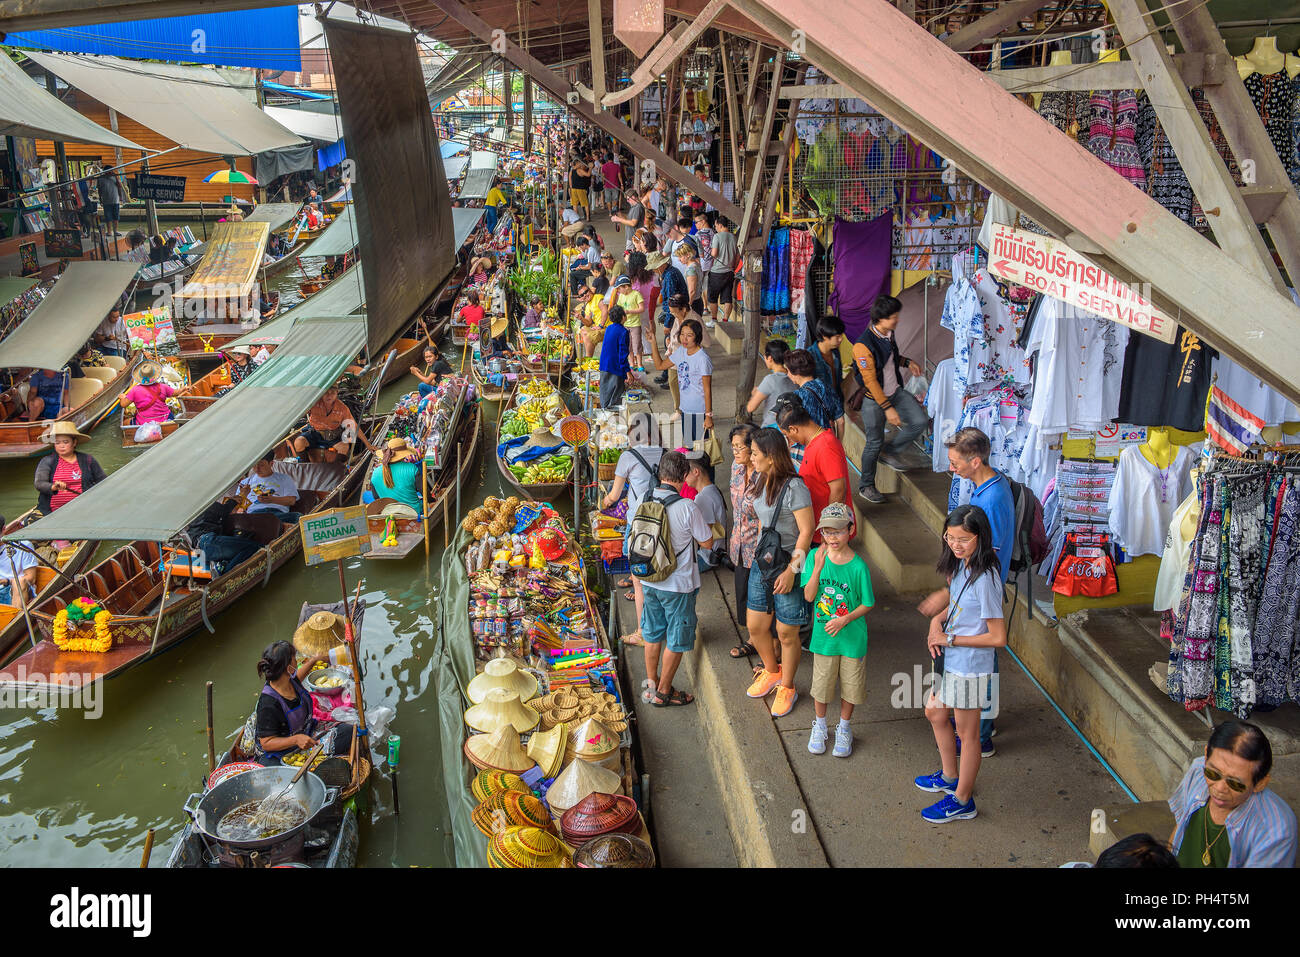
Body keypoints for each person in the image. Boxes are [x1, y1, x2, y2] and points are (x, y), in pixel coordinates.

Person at [923, 426, 1014, 756]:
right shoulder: (983, 488)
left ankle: (980, 733)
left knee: (983, 663)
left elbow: (989, 560)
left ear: (975, 461)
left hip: (980, 598)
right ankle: (976, 728)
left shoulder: (991, 499)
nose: (951, 467)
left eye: (955, 461)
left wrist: (947, 600)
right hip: (971, 596)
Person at [914, 504, 1007, 823]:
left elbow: (998, 638)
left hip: (969, 666)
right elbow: (954, 602)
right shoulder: (962, 565)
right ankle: (950, 777)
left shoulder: (987, 578)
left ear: (980, 538)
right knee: (935, 711)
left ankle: (963, 800)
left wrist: (949, 639)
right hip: (950, 659)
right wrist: (936, 623)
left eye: (964, 539)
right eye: (950, 537)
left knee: (968, 736)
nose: (955, 544)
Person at [744, 429, 815, 718]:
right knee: (756, 626)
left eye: (755, 454)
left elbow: (807, 531)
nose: (750, 457)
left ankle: (787, 686)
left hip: (789, 564)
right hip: (765, 562)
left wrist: (791, 571)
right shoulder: (761, 479)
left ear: (771, 457)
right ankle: (771, 671)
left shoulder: (795, 487)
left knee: (787, 632)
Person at [638, 450, 714, 708]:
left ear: (660, 474)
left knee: (652, 634)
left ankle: (651, 682)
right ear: (683, 476)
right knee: (676, 639)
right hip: (678, 585)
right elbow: (707, 541)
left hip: (649, 580)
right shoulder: (687, 507)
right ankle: (664, 691)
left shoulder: (643, 500)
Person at [1167, 720, 1297, 867]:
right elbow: (1181, 824)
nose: (1220, 788)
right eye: (1213, 773)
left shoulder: (1275, 831)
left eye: (1235, 783)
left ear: (1260, 783)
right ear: (1205, 755)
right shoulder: (1198, 769)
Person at [801, 502, 875, 757]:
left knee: (851, 686)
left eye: (838, 531)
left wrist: (845, 620)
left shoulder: (858, 567)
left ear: (851, 530)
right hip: (824, 639)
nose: (832, 537)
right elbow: (809, 596)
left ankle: (844, 727)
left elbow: (868, 603)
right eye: (827, 532)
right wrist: (818, 569)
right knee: (821, 685)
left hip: (852, 639)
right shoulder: (813, 558)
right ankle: (820, 725)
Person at [851, 294, 928, 504]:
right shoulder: (862, 346)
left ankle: (890, 451)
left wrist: (907, 362)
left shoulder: (889, 333)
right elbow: (870, 381)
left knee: (919, 421)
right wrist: (887, 408)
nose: (897, 320)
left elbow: (890, 357)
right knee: (873, 443)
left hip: (896, 392)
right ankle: (866, 486)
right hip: (875, 400)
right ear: (881, 319)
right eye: (894, 317)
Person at [601, 413, 663, 643]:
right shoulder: (665, 452)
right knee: (658, 572)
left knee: (640, 580)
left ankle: (642, 632)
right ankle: (657, 623)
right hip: (663, 520)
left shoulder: (628, 456)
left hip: (640, 523)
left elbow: (615, 495)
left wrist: (606, 503)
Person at [254, 639, 353, 766]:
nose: (297, 662)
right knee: (274, 768)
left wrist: (314, 660)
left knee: (348, 731)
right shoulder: (268, 704)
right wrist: (295, 740)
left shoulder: (288, 680)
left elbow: (298, 676)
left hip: (307, 734)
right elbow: (266, 743)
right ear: (288, 667)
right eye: (294, 658)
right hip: (282, 751)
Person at [778, 402, 853, 543]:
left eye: (786, 434)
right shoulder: (812, 443)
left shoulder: (826, 445)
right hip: (816, 528)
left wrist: (829, 532)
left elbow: (838, 490)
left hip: (825, 535)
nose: (788, 439)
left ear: (793, 429)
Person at [727, 424, 764, 658]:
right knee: (743, 596)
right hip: (738, 545)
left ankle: (763, 645)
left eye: (739, 447)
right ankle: (754, 638)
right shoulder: (736, 468)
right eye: (733, 447)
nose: (735, 452)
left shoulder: (765, 475)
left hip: (759, 547)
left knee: (759, 599)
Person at [647, 316, 712, 447]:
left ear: (697, 337)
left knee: (702, 453)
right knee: (689, 448)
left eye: (689, 335)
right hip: (685, 408)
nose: (684, 338)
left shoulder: (702, 359)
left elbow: (707, 389)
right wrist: (653, 343)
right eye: (682, 334)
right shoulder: (682, 351)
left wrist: (708, 415)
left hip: (699, 411)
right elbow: (660, 365)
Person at [34, 422, 106, 514]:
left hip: (85, 509)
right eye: (57, 442)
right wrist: (53, 487)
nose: (61, 446)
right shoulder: (47, 461)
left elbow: (103, 481)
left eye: (66, 442)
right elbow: (39, 483)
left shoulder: (88, 459)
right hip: (53, 512)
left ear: (74, 442)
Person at [684, 450, 726, 570]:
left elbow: (704, 537)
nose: (684, 477)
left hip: (707, 557)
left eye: (685, 473)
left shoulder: (702, 498)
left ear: (696, 472)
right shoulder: (712, 489)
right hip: (716, 551)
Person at [291, 387, 358, 462]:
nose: (329, 396)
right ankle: (306, 467)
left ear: (337, 393)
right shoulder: (314, 402)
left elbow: (354, 425)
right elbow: (301, 410)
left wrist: (368, 445)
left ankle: (334, 470)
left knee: (344, 447)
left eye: (332, 393)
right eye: (326, 393)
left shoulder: (342, 408)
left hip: (331, 436)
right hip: (314, 433)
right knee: (298, 442)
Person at [238, 452, 302, 523]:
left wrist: (272, 499)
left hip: (277, 514)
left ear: (271, 463)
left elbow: (291, 501)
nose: (257, 469)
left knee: (297, 517)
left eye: (261, 465)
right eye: (254, 465)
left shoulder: (284, 478)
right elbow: (237, 508)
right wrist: (243, 495)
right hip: (254, 514)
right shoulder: (245, 482)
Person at [810, 316, 847, 437]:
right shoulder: (810, 356)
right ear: (825, 337)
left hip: (835, 404)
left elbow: (838, 380)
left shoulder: (835, 352)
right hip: (819, 409)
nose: (841, 339)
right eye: (837, 337)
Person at [783, 350, 837, 431]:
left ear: (796, 372)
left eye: (788, 371)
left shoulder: (797, 396)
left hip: (812, 442)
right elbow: (841, 421)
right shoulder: (826, 386)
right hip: (829, 438)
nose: (787, 374)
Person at [747, 339, 796, 426]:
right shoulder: (796, 376)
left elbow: (750, 408)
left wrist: (755, 394)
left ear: (769, 358)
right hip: (793, 427)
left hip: (773, 429)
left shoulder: (770, 380)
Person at [369, 437, 423, 515]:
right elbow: (425, 493)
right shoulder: (412, 468)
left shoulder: (375, 473)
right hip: (414, 514)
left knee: (366, 496)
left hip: (388, 515)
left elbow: (376, 498)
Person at [598, 303, 631, 409]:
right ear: (623, 317)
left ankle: (604, 410)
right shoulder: (623, 332)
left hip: (604, 365)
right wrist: (628, 372)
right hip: (615, 367)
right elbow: (622, 354)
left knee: (605, 391)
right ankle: (612, 416)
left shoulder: (608, 328)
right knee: (615, 394)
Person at [610, 275, 645, 370]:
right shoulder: (621, 296)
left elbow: (642, 309)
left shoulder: (636, 294)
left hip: (635, 324)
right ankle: (632, 364)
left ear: (626, 286)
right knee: (627, 345)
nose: (618, 291)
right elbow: (619, 307)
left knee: (637, 344)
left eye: (619, 288)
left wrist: (629, 311)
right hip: (625, 325)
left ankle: (640, 364)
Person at [708, 217, 738, 323]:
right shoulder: (734, 237)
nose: (715, 228)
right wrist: (733, 267)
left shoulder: (717, 236)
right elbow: (737, 256)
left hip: (717, 272)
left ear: (720, 225)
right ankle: (725, 320)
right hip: (730, 272)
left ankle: (714, 320)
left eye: (716, 226)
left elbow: (714, 253)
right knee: (727, 297)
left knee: (713, 297)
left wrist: (710, 253)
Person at [0, 535, 38, 608]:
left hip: (15, 590)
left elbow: (31, 578)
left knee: (19, 582)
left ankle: (15, 618)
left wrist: (6, 581)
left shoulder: (23, 545)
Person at [675, 239, 706, 316]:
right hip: (698, 300)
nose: (679, 259)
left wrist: (688, 305)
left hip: (693, 303)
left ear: (688, 255)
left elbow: (692, 291)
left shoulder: (691, 269)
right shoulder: (696, 264)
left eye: (681, 256)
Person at [95, 168, 122, 238]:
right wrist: (100, 199)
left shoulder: (115, 177)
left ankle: (115, 231)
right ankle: (109, 231)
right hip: (106, 201)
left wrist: (115, 176)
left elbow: (120, 186)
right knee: (108, 217)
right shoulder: (101, 179)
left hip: (115, 200)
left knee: (116, 217)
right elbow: (99, 190)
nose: (110, 172)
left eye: (111, 171)